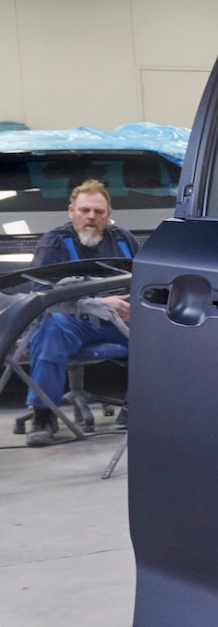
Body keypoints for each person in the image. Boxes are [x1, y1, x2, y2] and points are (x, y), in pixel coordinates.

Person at [23, 180, 135, 448]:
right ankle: (43, 415)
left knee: (163, 335)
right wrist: (96, 301)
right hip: (74, 322)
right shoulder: (55, 242)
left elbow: (149, 280)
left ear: (108, 214)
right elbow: (39, 292)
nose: (91, 218)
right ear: (71, 211)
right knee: (51, 328)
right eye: (85, 211)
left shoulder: (124, 240)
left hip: (121, 323)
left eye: (98, 212)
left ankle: (137, 408)